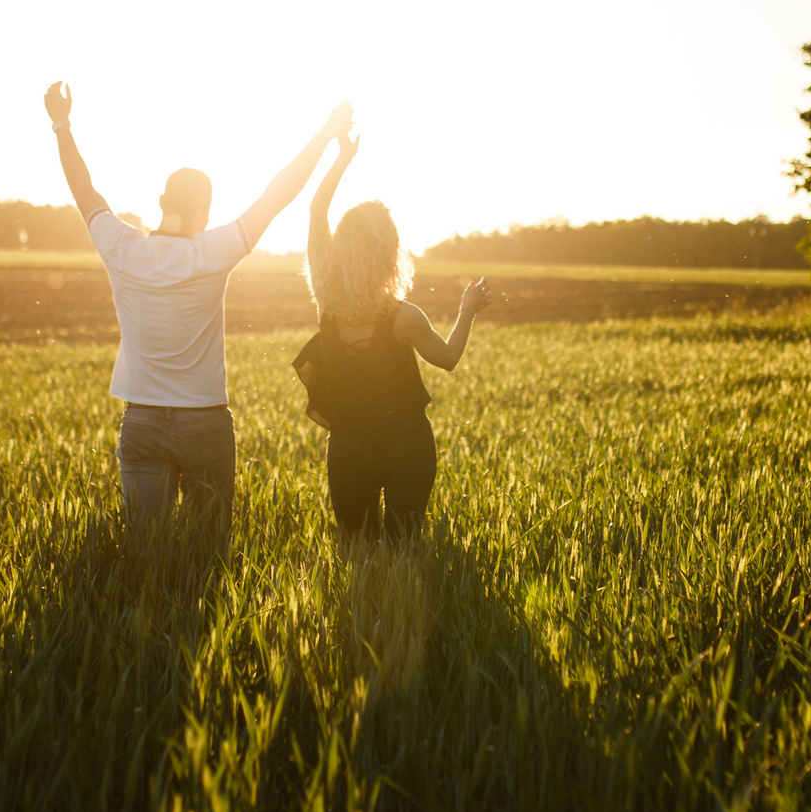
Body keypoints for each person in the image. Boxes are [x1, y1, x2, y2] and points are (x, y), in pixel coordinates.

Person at [45, 81, 354, 537]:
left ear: (162, 203)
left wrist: (61, 124)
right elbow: (278, 193)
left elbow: (84, 190)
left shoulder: (120, 247)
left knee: (145, 554)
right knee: (208, 560)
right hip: (205, 423)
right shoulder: (213, 251)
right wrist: (327, 133)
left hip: (143, 421)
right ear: (206, 213)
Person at [296, 131, 493, 543]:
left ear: (341, 249)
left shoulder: (327, 305)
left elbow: (317, 210)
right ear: (389, 252)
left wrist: (342, 158)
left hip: (348, 449)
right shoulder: (404, 317)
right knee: (404, 551)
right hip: (408, 448)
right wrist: (467, 310)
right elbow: (449, 357)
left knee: (358, 553)